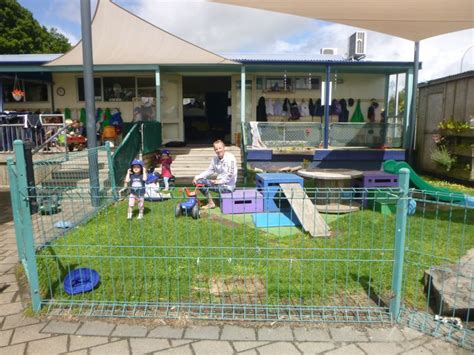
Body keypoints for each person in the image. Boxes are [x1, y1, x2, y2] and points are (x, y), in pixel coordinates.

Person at [193, 140, 237, 209]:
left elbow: (231, 174)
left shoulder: (230, 157)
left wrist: (219, 181)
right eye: (216, 149)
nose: (218, 150)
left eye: (220, 148)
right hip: (218, 184)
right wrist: (197, 177)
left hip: (228, 187)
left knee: (202, 182)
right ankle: (211, 203)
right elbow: (209, 171)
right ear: (214, 150)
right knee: (199, 181)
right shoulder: (215, 159)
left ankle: (211, 203)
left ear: (224, 148)